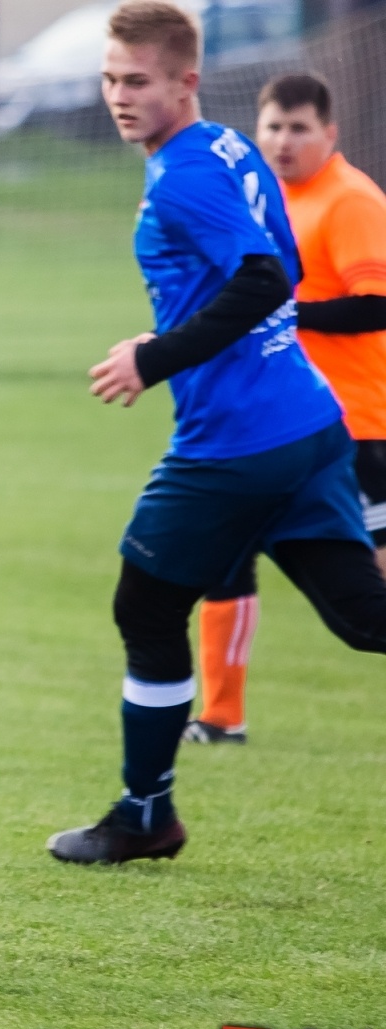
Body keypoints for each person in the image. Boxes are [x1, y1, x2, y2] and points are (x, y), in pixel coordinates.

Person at [47, 0, 386, 866]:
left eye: (138, 81)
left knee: (146, 603)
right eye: (110, 78)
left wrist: (155, 355)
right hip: (310, 422)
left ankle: (145, 812)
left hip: (236, 444)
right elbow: (282, 267)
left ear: (186, 82)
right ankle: (146, 807)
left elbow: (270, 279)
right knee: (363, 617)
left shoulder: (186, 177)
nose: (119, 96)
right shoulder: (232, 147)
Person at [184, 72, 386, 745]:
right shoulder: (263, 202)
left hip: (356, 426)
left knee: (366, 600)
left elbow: (377, 303)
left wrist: (279, 308)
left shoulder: (350, 200)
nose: (283, 140)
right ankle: (220, 715)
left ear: (329, 132)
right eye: (272, 126)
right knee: (222, 555)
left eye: (299, 127)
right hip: (275, 424)